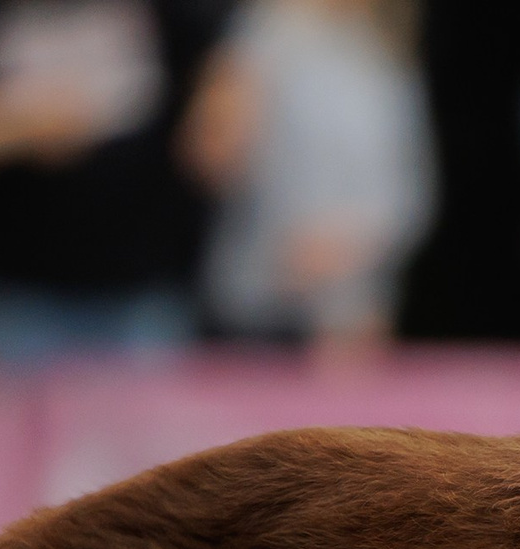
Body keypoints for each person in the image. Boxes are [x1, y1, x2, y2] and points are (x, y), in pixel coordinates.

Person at [0, 0, 231, 360]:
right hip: (10, 300)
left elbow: (218, 126)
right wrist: (20, 125)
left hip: (147, 297)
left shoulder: (177, 13)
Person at [179, 0, 434, 362]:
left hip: (348, 320)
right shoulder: (262, 31)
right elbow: (208, 156)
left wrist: (344, 245)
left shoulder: (383, 55)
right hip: (254, 304)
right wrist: (222, 121)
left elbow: (409, 193)